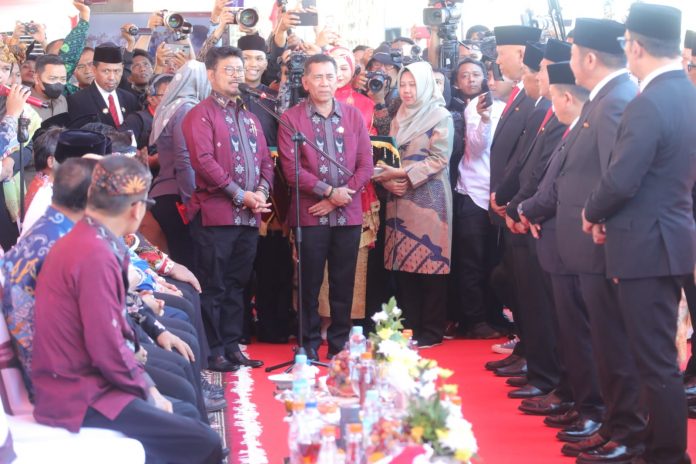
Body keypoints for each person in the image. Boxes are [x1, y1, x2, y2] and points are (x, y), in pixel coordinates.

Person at [31, 155, 223, 464]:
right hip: (79, 394)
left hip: (78, 382)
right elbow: (105, 346)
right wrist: (149, 392)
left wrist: (155, 335)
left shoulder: (89, 238)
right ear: (136, 209)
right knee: (204, 441)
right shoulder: (94, 252)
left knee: (187, 415)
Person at [582, 4, 695, 463]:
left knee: (654, 362)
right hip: (669, 240)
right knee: (657, 358)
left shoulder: (648, 102)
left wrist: (593, 211)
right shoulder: (686, 93)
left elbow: (623, 177)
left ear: (636, 45)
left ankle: (667, 455)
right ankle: (656, 447)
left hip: (646, 247)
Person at [183, 46, 273, 371]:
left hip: (249, 216)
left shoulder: (250, 117)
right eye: (229, 70)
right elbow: (203, 163)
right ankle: (213, 350)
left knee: (238, 285)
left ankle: (233, 345)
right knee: (214, 285)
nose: (237, 75)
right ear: (211, 75)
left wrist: (261, 191)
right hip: (215, 215)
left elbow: (266, 161)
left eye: (240, 69)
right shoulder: (199, 114)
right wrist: (241, 195)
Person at [278, 53, 373, 360]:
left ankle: (339, 346)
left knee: (342, 284)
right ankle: (307, 346)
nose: (324, 83)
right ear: (305, 82)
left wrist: (340, 196)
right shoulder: (292, 118)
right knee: (308, 283)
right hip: (310, 214)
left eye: (329, 77)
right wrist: (329, 192)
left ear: (338, 79)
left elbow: (366, 164)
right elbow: (291, 170)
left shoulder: (353, 115)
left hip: (348, 213)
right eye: (317, 77)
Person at [373, 60, 453, 348]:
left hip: (428, 196)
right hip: (397, 196)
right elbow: (387, 153)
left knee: (430, 262)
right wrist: (385, 179)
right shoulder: (399, 115)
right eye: (403, 85)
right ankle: (411, 328)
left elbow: (439, 158)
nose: (407, 91)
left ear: (426, 85)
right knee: (404, 263)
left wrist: (404, 176)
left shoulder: (440, 115)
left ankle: (431, 330)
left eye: (413, 84)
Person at [450, 60, 508, 340]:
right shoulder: (472, 108)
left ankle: (495, 314)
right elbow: (475, 146)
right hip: (472, 191)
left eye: (477, 74)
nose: (471, 79)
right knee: (471, 262)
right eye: (465, 75)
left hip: (499, 194)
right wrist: (484, 120)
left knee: (494, 261)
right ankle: (474, 319)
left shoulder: (507, 106)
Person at [150, 61, 210, 270]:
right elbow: (185, 160)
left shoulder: (171, 106)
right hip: (179, 195)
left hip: (165, 192)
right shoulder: (187, 108)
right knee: (190, 264)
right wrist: (192, 202)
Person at [67, 43, 139, 129]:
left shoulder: (130, 99)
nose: (112, 77)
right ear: (94, 70)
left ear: (122, 69)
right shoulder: (78, 101)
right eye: (106, 71)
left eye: (117, 71)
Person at [30, 54, 68, 121]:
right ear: (36, 78)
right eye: (52, 79)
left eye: (63, 79)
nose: (58, 83)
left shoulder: (62, 100)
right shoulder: (24, 103)